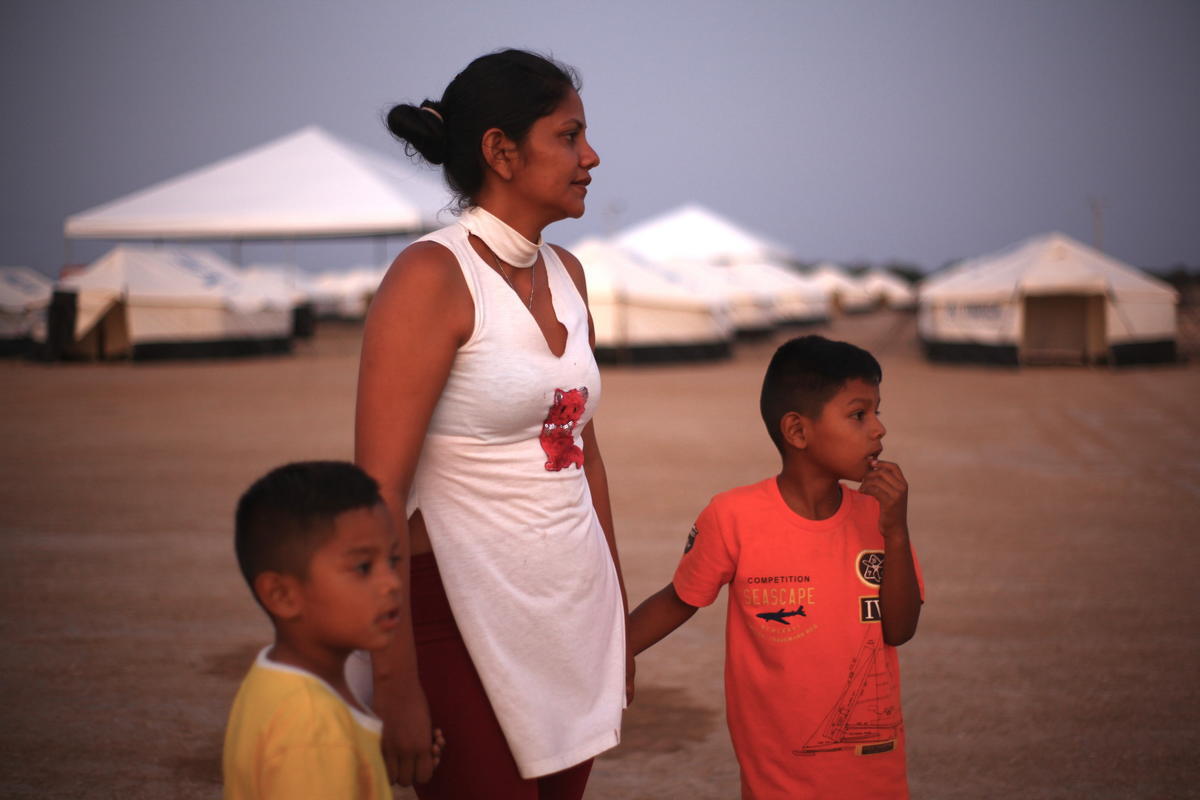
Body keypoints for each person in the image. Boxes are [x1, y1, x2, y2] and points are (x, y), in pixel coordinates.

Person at [355, 49, 630, 799]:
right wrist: (397, 679)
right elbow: (377, 488)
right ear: (501, 152)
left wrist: (616, 623)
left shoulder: (569, 277)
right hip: (454, 617)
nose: (591, 156)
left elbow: (586, 460)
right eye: (569, 136)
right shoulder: (432, 277)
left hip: (572, 613)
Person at [627, 335, 925, 799]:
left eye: (878, 412)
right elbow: (678, 600)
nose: (879, 429)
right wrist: (607, 660)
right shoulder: (734, 517)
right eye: (859, 414)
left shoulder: (877, 517)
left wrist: (898, 532)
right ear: (798, 431)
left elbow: (900, 630)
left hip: (875, 778)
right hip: (779, 783)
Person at [223, 460, 442, 800]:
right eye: (363, 567)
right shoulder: (314, 732)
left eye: (394, 561)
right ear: (282, 595)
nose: (391, 584)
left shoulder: (272, 681)